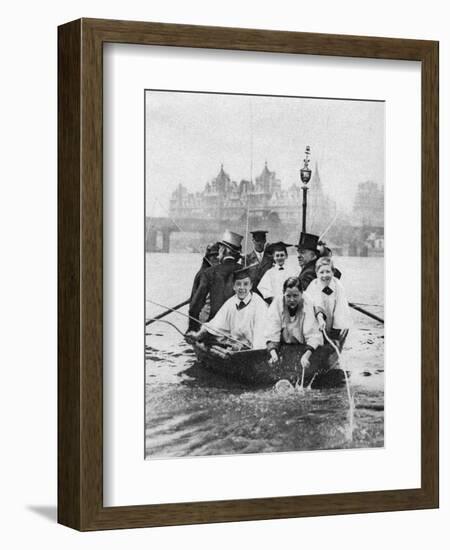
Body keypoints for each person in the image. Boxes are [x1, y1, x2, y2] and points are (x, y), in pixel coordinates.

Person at [190, 266, 268, 350]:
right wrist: (197, 335)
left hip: (256, 348)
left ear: (251, 286)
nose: (242, 288)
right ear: (233, 287)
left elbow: (261, 336)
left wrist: (250, 349)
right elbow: (215, 326)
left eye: (245, 284)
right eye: (238, 284)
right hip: (237, 346)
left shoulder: (259, 304)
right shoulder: (231, 302)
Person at [187, 230, 243, 332]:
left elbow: (194, 307)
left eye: (220, 249)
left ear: (224, 250)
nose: (218, 254)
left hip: (214, 328)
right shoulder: (245, 271)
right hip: (239, 329)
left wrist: (193, 329)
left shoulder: (209, 273)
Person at [265, 276, 323, 368]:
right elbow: (272, 331)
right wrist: (273, 354)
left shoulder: (307, 303)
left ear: (301, 293)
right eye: (288, 296)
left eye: (295, 296)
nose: (292, 300)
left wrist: (306, 356)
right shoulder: (277, 303)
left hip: (303, 345)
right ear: (284, 294)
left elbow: (313, 335)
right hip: (284, 344)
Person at [304, 256, 351, 349]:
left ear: (333, 272)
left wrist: (335, 334)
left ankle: (331, 340)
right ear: (317, 273)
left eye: (328, 272)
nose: (325, 275)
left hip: (332, 323)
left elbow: (340, 310)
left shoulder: (338, 286)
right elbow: (314, 304)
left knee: (333, 331)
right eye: (321, 272)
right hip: (317, 321)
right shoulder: (314, 285)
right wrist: (320, 317)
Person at [189, 242, 220, 324]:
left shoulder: (217, 273)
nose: (216, 258)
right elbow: (195, 302)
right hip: (203, 316)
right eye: (213, 256)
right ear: (208, 258)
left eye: (218, 256)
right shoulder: (203, 274)